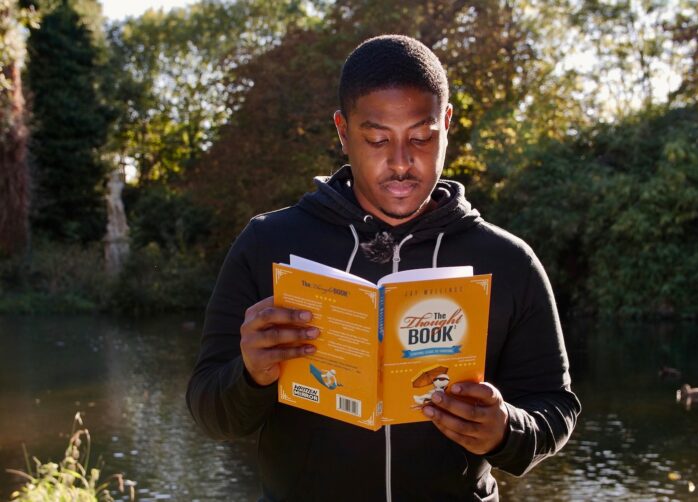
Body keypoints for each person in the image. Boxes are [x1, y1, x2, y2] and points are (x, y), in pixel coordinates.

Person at [186, 34, 580, 501]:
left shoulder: (508, 261)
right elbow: (209, 409)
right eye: (376, 139)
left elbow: (556, 409)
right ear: (342, 131)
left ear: (447, 123)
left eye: (421, 136)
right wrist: (250, 374)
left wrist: (504, 430)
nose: (400, 162)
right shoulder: (268, 243)